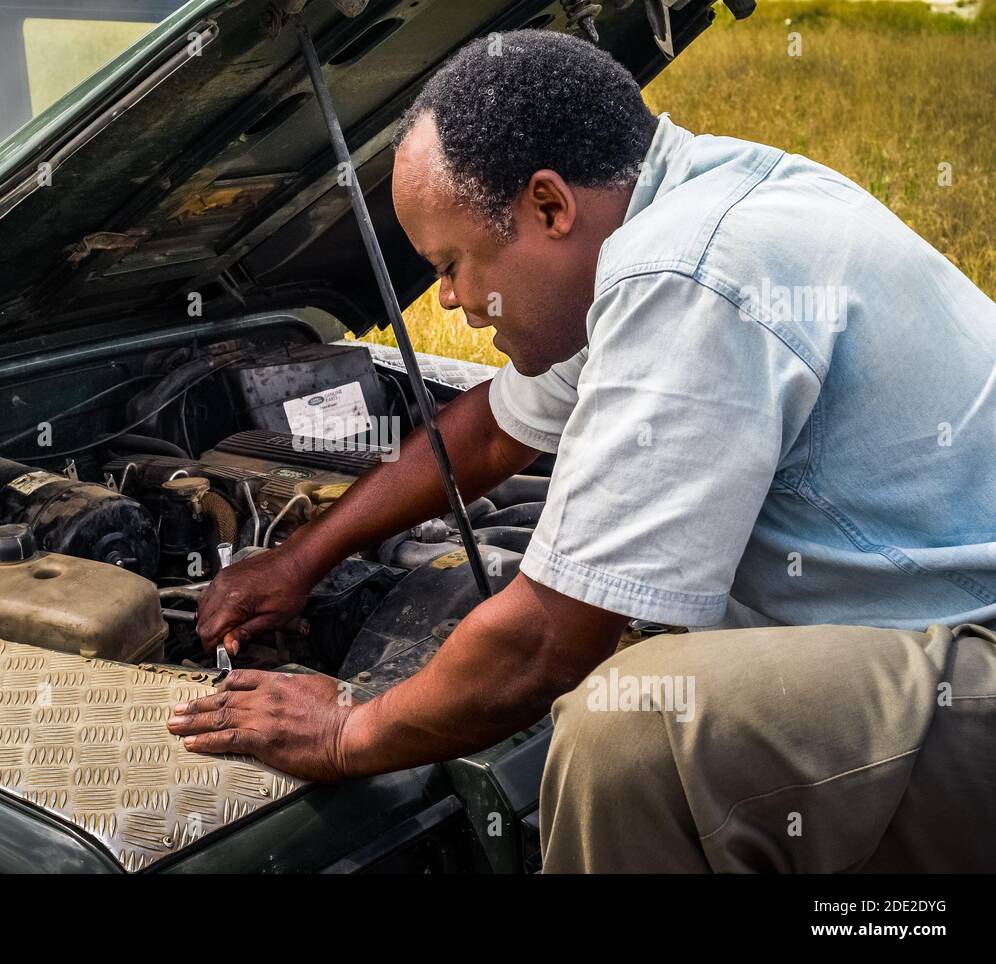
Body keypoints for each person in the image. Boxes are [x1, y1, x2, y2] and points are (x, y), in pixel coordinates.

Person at [167, 30, 996, 871]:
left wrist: (348, 730)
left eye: (451, 264)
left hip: (979, 668)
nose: (447, 299)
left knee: (631, 730)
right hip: (938, 639)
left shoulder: (684, 272)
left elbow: (545, 646)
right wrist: (301, 558)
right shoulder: (689, 205)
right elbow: (490, 431)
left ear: (549, 207)